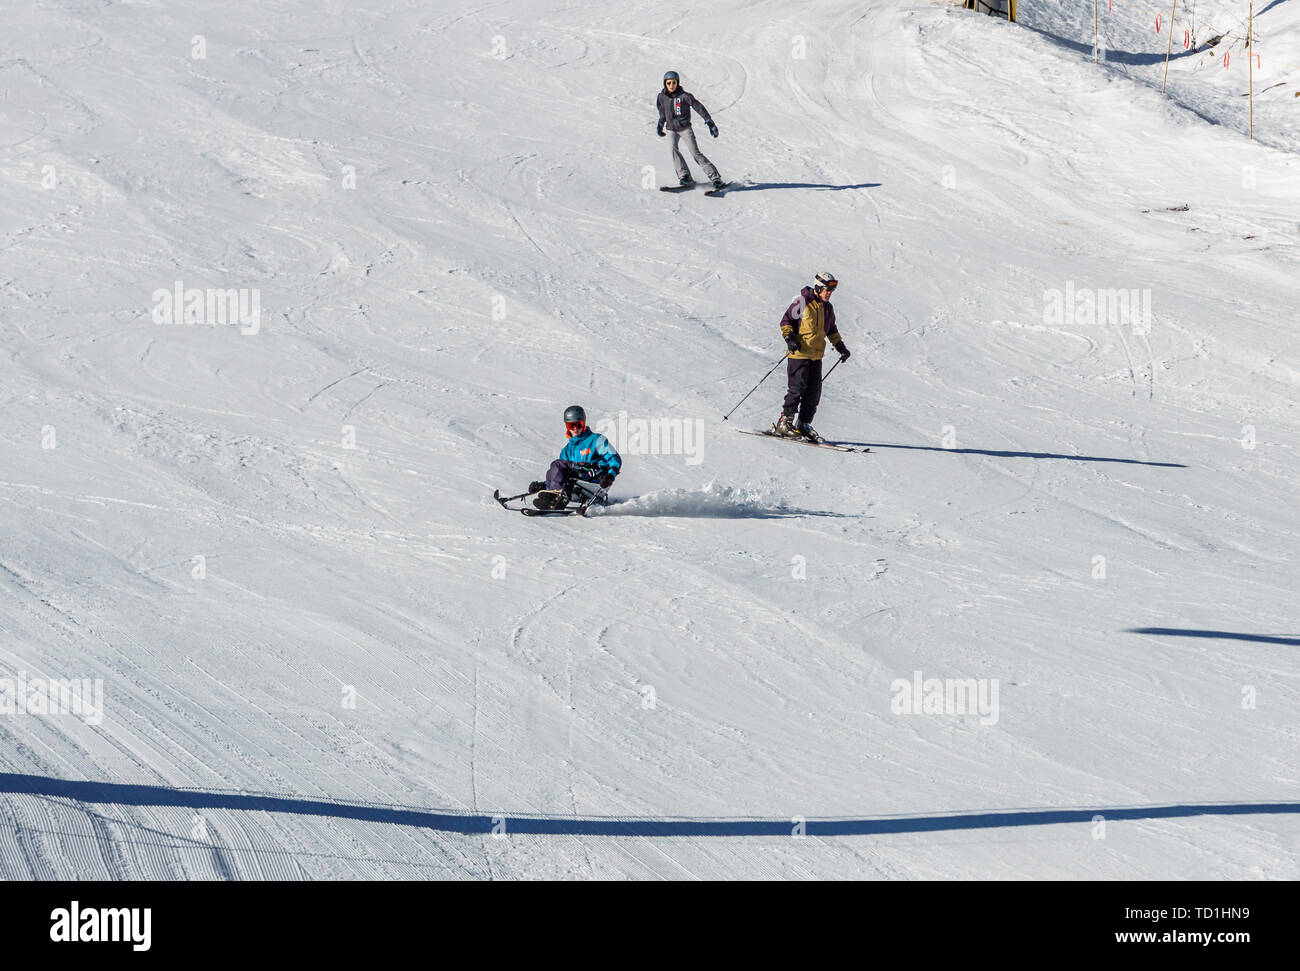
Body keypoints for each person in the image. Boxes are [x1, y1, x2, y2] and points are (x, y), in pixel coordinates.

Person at [773, 271, 850, 443]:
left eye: (831, 291)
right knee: (796, 389)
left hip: (816, 356)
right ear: (817, 287)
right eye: (826, 290)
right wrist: (790, 338)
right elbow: (786, 322)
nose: (829, 293)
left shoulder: (827, 308)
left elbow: (831, 330)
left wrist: (841, 347)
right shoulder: (802, 302)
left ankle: (803, 424)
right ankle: (784, 423)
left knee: (814, 392)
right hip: (799, 354)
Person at [528, 405, 622, 509]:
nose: (576, 428)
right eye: (571, 426)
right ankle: (556, 499)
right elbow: (560, 475)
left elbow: (615, 459)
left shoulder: (596, 439)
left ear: (584, 423)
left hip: (597, 481)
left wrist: (610, 475)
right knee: (558, 468)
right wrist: (543, 485)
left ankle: (553, 495)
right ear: (566, 426)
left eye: (579, 424)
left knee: (558, 464)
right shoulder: (567, 450)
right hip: (578, 482)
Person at [655, 71, 725, 191]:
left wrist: (709, 121)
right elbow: (662, 111)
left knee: (695, 153)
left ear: (678, 83)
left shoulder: (685, 96)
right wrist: (661, 123)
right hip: (671, 129)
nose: (671, 85)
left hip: (685, 129)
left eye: (674, 82)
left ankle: (715, 178)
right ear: (665, 84)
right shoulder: (661, 97)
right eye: (669, 83)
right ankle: (685, 176)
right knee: (673, 150)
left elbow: (698, 107)